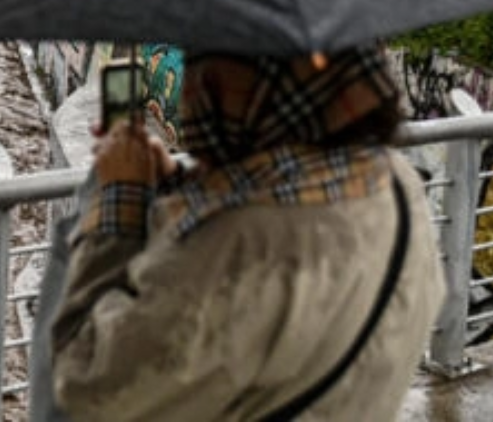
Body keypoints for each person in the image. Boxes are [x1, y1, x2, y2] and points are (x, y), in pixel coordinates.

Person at [49, 45, 445, 422]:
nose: (190, 89)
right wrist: (179, 187)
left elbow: (84, 387)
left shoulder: (240, 247)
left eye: (207, 68)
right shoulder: (398, 184)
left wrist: (121, 199)